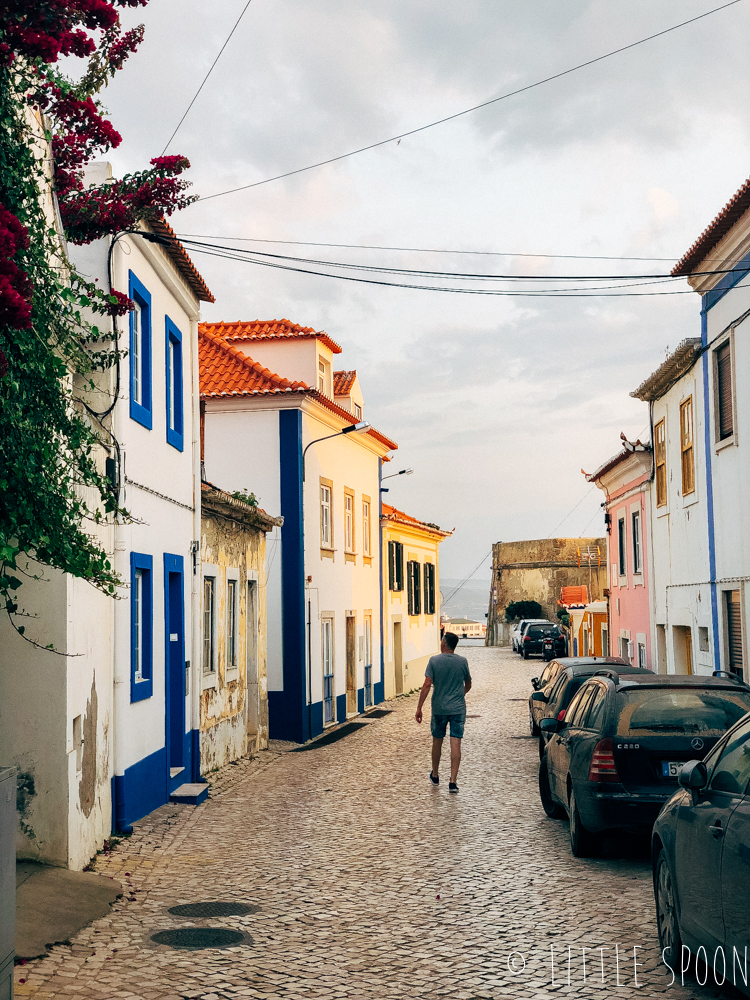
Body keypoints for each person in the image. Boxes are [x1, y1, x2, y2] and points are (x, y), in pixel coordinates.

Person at [415, 631, 472, 792]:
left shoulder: (434, 661)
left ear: (444, 644)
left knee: (437, 741)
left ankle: (435, 774)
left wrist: (419, 707)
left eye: (441, 640)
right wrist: (459, 695)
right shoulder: (462, 661)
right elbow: (468, 683)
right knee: (456, 742)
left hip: (439, 708)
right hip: (458, 709)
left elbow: (427, 685)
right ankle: (453, 781)